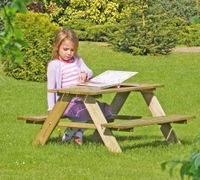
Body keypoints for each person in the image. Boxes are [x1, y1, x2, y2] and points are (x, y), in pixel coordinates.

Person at [47, 28, 112, 145]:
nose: (69, 53)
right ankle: (72, 133)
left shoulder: (77, 60)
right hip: (66, 103)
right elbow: (51, 88)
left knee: (106, 110)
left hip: (81, 99)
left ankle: (78, 132)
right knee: (87, 112)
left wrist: (85, 73)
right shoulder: (54, 65)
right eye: (65, 49)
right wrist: (52, 109)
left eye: (72, 50)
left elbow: (90, 71)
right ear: (57, 47)